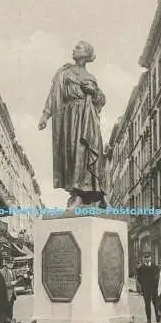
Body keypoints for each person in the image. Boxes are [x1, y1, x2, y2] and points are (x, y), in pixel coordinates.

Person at [38, 41, 107, 208]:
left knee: (84, 152)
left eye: (78, 47)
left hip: (86, 118)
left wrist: (94, 92)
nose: (73, 49)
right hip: (69, 118)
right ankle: (75, 193)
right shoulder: (64, 72)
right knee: (72, 154)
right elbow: (54, 96)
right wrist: (45, 115)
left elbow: (101, 101)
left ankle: (83, 193)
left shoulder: (92, 78)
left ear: (86, 53)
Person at [136, 252, 160, 323]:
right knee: (147, 305)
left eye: (148, 257)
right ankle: (148, 319)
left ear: (150, 258)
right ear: (143, 259)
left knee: (156, 304)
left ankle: (158, 319)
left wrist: (157, 286)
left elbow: (158, 278)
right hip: (146, 289)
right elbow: (139, 279)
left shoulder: (155, 267)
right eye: (145, 257)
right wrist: (141, 288)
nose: (147, 259)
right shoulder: (141, 268)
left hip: (154, 289)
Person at [0, 252, 16, 320]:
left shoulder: (12, 271)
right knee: (6, 313)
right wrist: (11, 283)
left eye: (12, 262)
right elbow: (1, 284)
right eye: (9, 262)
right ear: (6, 263)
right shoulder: (3, 271)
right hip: (5, 295)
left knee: (10, 313)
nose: (11, 264)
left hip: (12, 295)